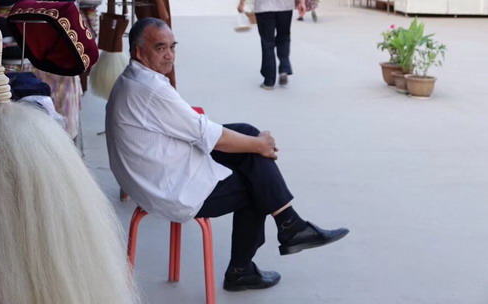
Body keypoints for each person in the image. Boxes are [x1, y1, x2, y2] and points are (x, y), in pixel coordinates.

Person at [106, 18, 349, 292]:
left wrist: (255, 143)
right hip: (168, 188)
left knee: (247, 134)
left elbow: (198, 129)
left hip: (156, 171)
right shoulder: (151, 90)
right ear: (139, 53)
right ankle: (245, 267)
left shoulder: (134, 79)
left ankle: (289, 224)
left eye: (172, 47)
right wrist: (260, 145)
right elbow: (206, 134)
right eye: (160, 48)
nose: (169, 55)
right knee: (256, 185)